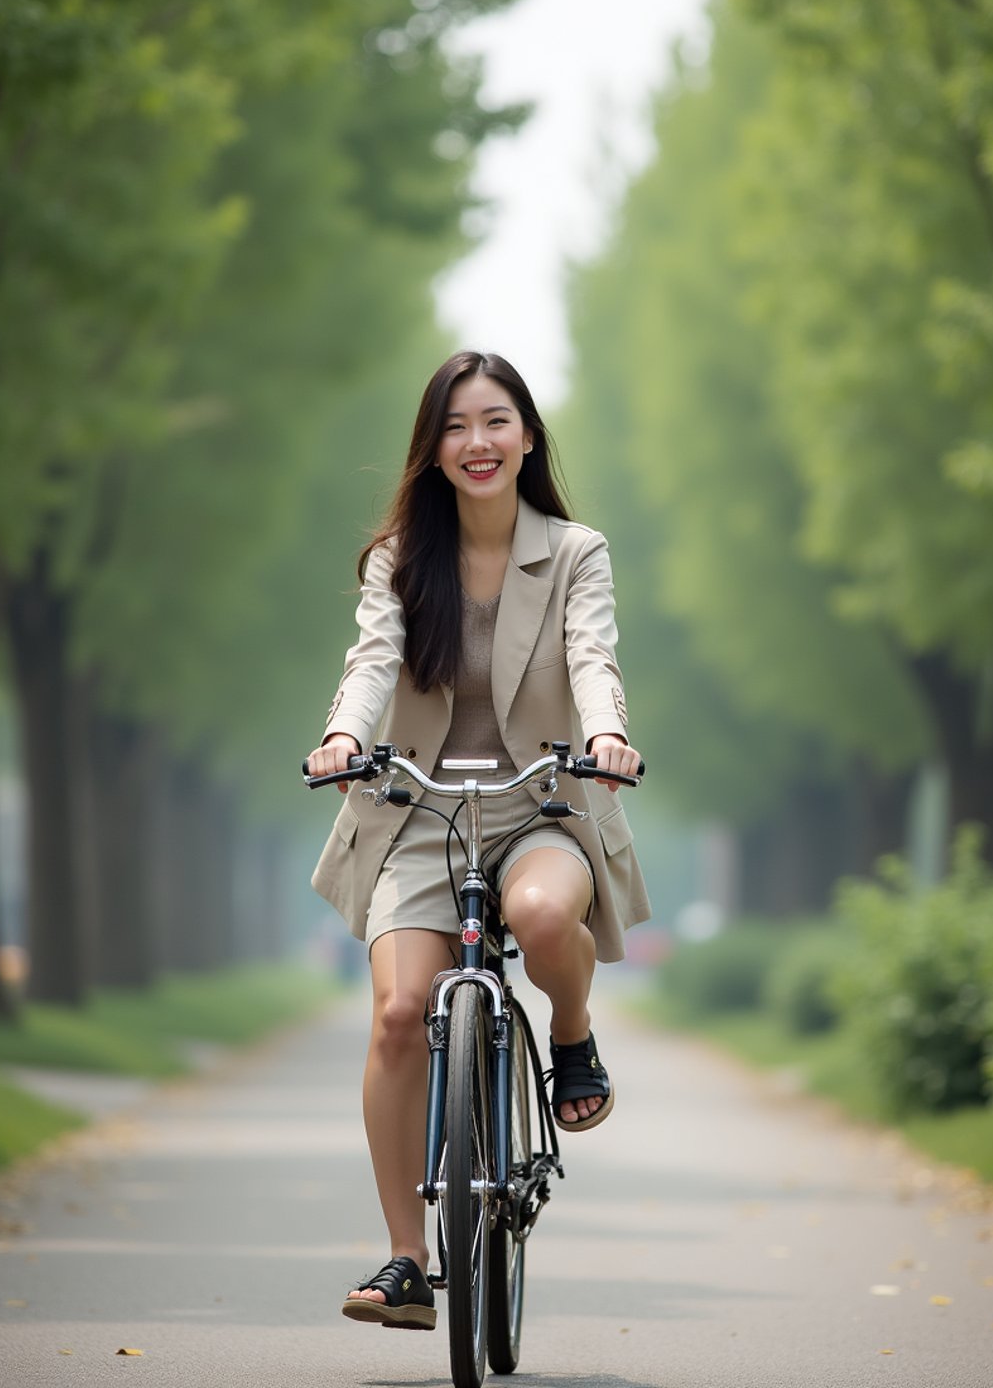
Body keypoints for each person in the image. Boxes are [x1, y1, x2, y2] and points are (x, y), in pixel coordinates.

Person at [306, 350, 650, 1331]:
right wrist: (343, 735)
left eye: (495, 420)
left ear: (527, 434)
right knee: (397, 1014)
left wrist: (607, 735)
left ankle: (572, 1038)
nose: (477, 442)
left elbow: (593, 653)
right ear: (435, 448)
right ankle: (407, 1261)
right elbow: (371, 661)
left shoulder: (575, 550)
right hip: (416, 809)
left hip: (540, 803)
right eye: (455, 426)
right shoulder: (398, 560)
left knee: (543, 916)